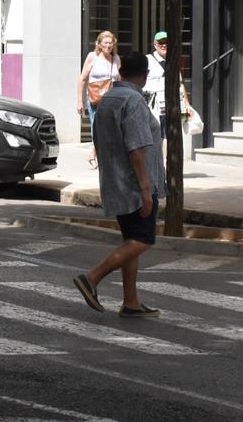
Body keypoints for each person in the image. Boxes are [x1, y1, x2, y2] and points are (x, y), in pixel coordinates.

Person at [72, 51, 165, 319]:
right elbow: (136, 147)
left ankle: (131, 301)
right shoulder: (134, 100)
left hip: (115, 180)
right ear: (145, 75)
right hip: (135, 184)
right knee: (143, 239)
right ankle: (92, 278)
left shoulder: (109, 97)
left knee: (131, 240)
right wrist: (146, 189)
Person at [144, 30, 193, 157]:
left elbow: (180, 84)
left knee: (168, 136)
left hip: (170, 106)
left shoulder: (174, 61)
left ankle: (165, 166)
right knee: (154, 137)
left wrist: (187, 104)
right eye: (161, 42)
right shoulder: (147, 60)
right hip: (152, 107)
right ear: (155, 44)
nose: (164, 45)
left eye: (167, 42)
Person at [76, 30, 121, 168]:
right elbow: (82, 79)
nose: (108, 45)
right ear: (99, 44)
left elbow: (119, 79)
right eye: (105, 43)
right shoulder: (92, 57)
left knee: (111, 129)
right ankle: (98, 156)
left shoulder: (116, 58)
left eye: (111, 43)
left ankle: (95, 154)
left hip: (112, 100)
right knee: (97, 127)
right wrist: (80, 100)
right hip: (95, 99)